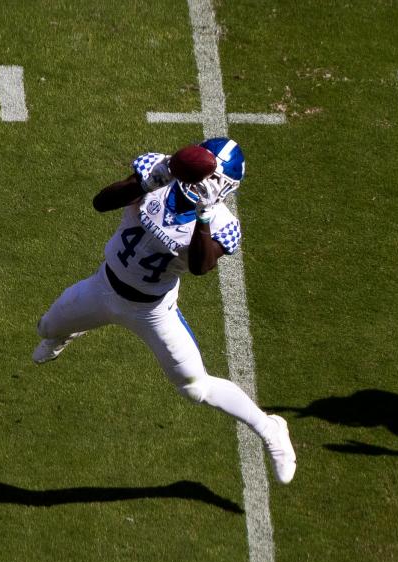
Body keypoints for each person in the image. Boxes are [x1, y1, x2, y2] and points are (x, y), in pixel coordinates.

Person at [32, 138, 296, 485]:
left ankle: (270, 427)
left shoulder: (221, 222)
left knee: (195, 387)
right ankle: (69, 331)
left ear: (225, 187)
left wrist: (202, 215)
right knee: (47, 329)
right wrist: (148, 181)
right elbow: (101, 203)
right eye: (204, 171)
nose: (203, 182)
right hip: (103, 286)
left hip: (151, 310)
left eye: (213, 178)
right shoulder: (160, 171)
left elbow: (202, 267)